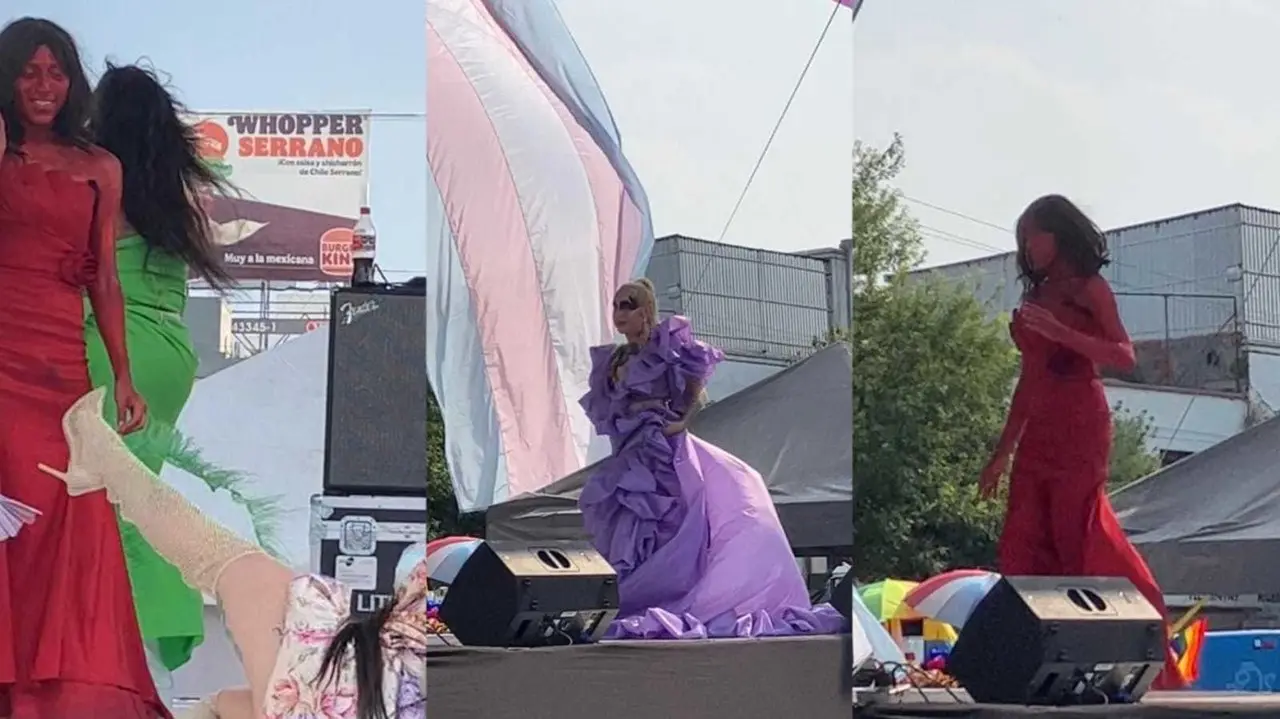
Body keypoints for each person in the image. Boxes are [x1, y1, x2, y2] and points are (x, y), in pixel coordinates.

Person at [43, 388, 427, 719]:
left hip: (355, 686)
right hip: (367, 684)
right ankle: (100, 461)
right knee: (228, 704)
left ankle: (101, 457)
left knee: (227, 561)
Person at [0, 17, 166, 718]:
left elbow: (105, 279)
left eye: (56, 71)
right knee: (18, 521)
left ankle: (59, 698)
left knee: (75, 517)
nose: (43, 86)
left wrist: (123, 375)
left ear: (73, 82)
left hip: (64, 373)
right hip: (0, 365)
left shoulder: (102, 166)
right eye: (29, 71)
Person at [978, 194, 1185, 689]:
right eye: (1023, 240)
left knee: (1079, 537)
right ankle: (1042, 654)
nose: (1028, 248)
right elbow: (1029, 380)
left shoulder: (1092, 290)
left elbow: (1123, 355)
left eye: (1034, 236)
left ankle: (1138, 645)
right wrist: (1001, 454)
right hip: (1040, 428)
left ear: (1059, 234)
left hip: (1080, 422)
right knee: (1025, 536)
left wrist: (1060, 331)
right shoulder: (1036, 298)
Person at [578, 278, 844, 638]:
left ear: (646, 310)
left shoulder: (666, 347)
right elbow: (608, 409)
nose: (619, 312)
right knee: (629, 527)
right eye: (615, 305)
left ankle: (682, 597)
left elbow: (695, 389)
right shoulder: (615, 359)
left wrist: (679, 423)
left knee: (678, 519)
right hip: (630, 452)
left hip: (665, 449)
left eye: (628, 304)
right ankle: (634, 599)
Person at [87, 61, 238, 674]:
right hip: (170, 360)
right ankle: (155, 630)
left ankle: (122, 636)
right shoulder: (172, 194)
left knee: (95, 500)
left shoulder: (98, 181)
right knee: (133, 491)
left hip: (107, 345)